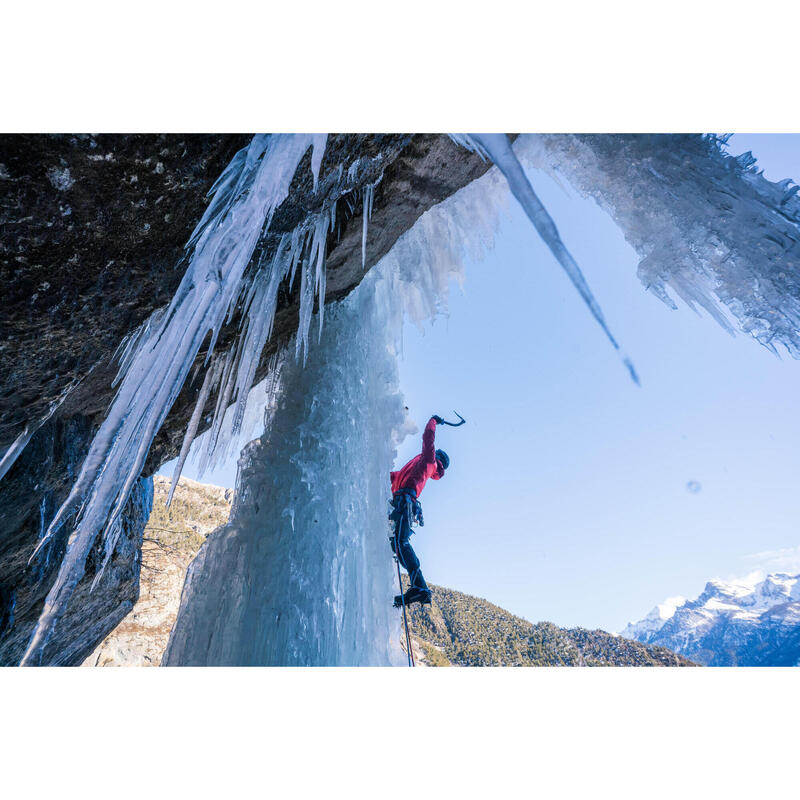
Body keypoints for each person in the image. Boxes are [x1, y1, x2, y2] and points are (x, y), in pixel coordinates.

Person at [388, 414, 450, 607]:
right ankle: (418, 586)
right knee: (396, 543)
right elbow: (392, 477)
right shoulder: (413, 468)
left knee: (400, 542)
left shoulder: (428, 462)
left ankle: (420, 587)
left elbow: (428, 438)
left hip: (404, 501)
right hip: (402, 502)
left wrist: (433, 421)